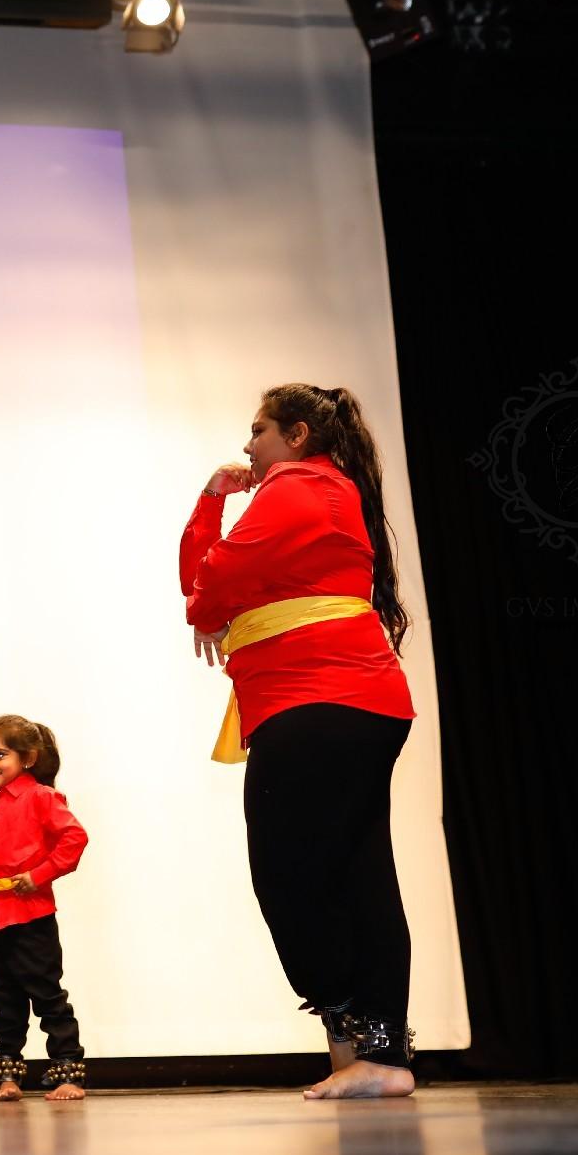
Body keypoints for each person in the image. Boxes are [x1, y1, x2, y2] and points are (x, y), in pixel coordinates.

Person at [180, 383, 417, 1100]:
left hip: (315, 698)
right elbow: (207, 585)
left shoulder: (297, 486)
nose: (248, 445)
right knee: (359, 870)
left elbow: (209, 582)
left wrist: (210, 585)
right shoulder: (330, 489)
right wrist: (212, 500)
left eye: (259, 430)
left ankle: (353, 1027)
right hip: (354, 699)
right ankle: (376, 1053)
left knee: (283, 875)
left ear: (298, 435)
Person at [0, 715, 89, 1101]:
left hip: (31, 916)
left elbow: (74, 838)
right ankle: (8, 1076)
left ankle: (68, 1072)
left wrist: (40, 874)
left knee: (47, 995)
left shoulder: (41, 797)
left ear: (28, 758)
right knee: (5, 1001)